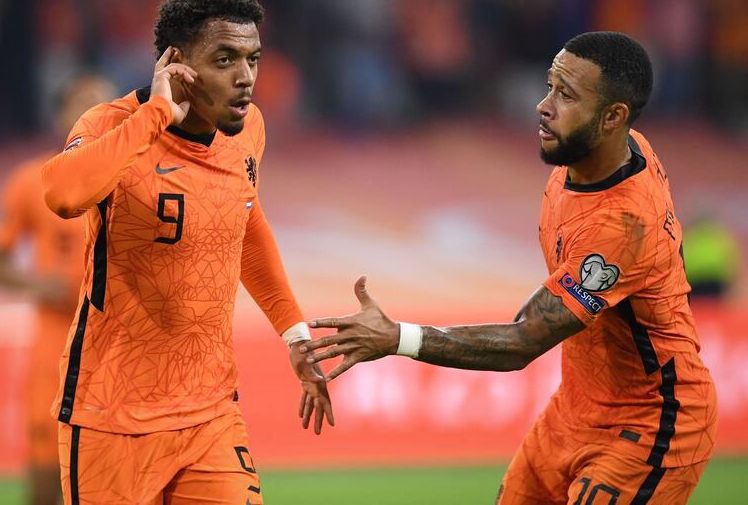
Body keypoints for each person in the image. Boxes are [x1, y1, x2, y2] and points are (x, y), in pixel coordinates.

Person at [303, 32, 717, 504]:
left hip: (651, 421)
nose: (544, 106)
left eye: (566, 95)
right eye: (549, 86)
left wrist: (397, 337)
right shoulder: (599, 154)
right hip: (576, 407)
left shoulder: (621, 223)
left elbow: (523, 342)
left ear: (613, 117)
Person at [40, 0, 332, 504]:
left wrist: (294, 334)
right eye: (225, 60)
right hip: (111, 419)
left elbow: (245, 224)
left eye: (253, 58)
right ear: (176, 63)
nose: (246, 78)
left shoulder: (248, 133)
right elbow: (63, 195)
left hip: (211, 414)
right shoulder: (110, 123)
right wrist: (156, 113)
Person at [0, 74, 117, 505]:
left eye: (102, 105)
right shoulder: (32, 180)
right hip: (55, 345)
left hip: (119, 346)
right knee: (46, 475)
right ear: (61, 116)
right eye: (81, 105)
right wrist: (37, 284)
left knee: (118, 477)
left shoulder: (140, 178)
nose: (92, 114)